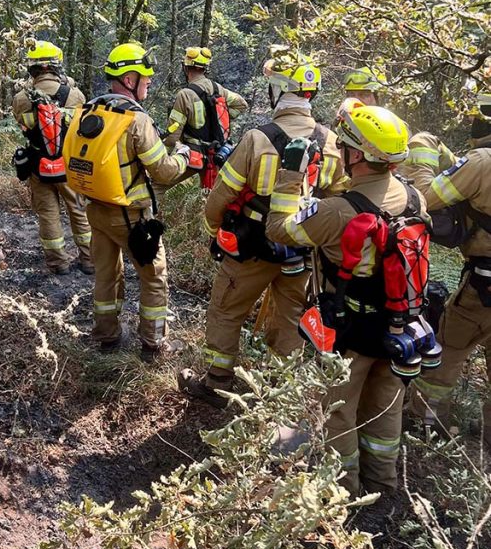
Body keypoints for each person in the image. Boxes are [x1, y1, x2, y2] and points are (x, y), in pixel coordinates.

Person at [265, 100, 424, 495]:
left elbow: (278, 229)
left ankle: (345, 493)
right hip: (399, 326)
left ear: (357, 154)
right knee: (384, 408)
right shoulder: (414, 197)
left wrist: (289, 176)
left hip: (350, 329)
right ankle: (383, 485)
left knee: (339, 412)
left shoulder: (338, 210)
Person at [178, 52, 343, 406]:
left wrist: (213, 230)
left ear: (279, 91)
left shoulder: (257, 139)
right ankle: (278, 394)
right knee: (290, 320)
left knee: (225, 310)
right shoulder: (330, 143)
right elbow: (337, 201)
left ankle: (217, 382)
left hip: (251, 247)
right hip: (301, 250)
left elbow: (220, 197)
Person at [63, 42, 190, 359]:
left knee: (106, 274)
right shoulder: (136, 120)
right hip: (130, 217)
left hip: (95, 209)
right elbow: (162, 171)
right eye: (145, 76)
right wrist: (186, 157)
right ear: (130, 78)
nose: (148, 80)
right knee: (154, 276)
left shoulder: (90, 110)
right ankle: (153, 344)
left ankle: (106, 336)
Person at [408, 142, 491, 448]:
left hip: (482, 289)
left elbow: (425, 197)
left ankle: (426, 422)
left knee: (448, 351)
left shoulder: (482, 161)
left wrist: (422, 154)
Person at [12, 40, 93, 275]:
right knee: (79, 211)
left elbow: (23, 128)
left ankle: (58, 263)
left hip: (39, 164)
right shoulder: (75, 95)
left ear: (32, 67)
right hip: (70, 165)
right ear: (57, 65)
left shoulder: (21, 99)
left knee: (48, 214)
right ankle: (88, 260)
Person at [162, 46, 248, 189]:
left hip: (192, 154)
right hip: (216, 155)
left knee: (158, 185)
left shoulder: (185, 94)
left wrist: (163, 156)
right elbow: (241, 104)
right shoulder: (218, 89)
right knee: (210, 194)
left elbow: (173, 134)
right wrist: (220, 120)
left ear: (186, 68)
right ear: (205, 68)